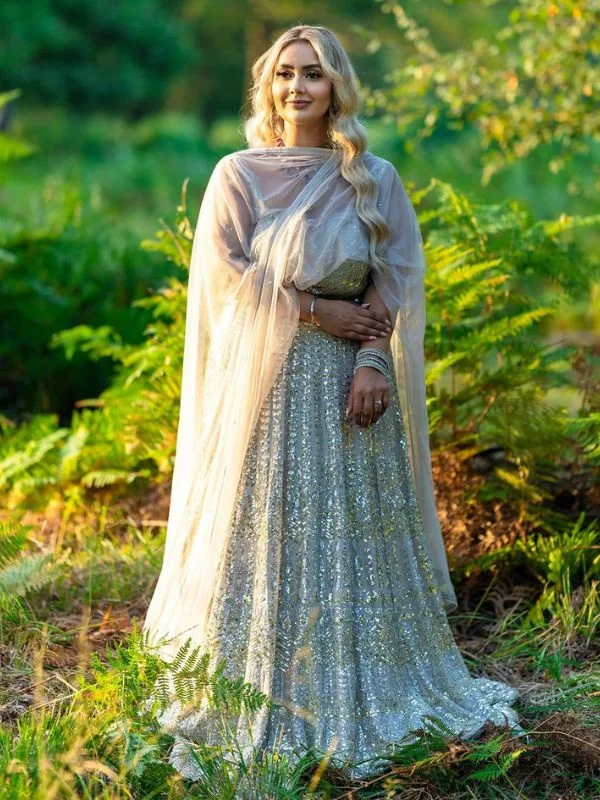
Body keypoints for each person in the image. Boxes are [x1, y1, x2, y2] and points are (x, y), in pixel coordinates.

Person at [142, 24, 523, 780]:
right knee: (270, 532)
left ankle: (361, 686)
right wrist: (320, 313)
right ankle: (254, 691)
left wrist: (373, 357)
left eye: (313, 74)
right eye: (285, 74)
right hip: (266, 384)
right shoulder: (238, 175)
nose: (297, 87)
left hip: (353, 385)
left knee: (349, 537)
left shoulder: (371, 176)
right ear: (267, 85)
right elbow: (223, 277)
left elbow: (395, 278)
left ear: (337, 86)